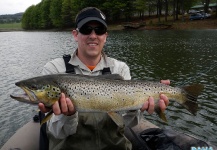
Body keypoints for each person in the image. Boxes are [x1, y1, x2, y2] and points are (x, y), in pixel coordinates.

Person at [39, 7, 170, 150]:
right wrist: (68, 115)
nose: (93, 35)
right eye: (86, 29)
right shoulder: (54, 70)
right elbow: (55, 132)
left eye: (99, 30)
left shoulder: (120, 68)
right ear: (75, 34)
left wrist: (136, 109)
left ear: (105, 36)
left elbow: (125, 123)